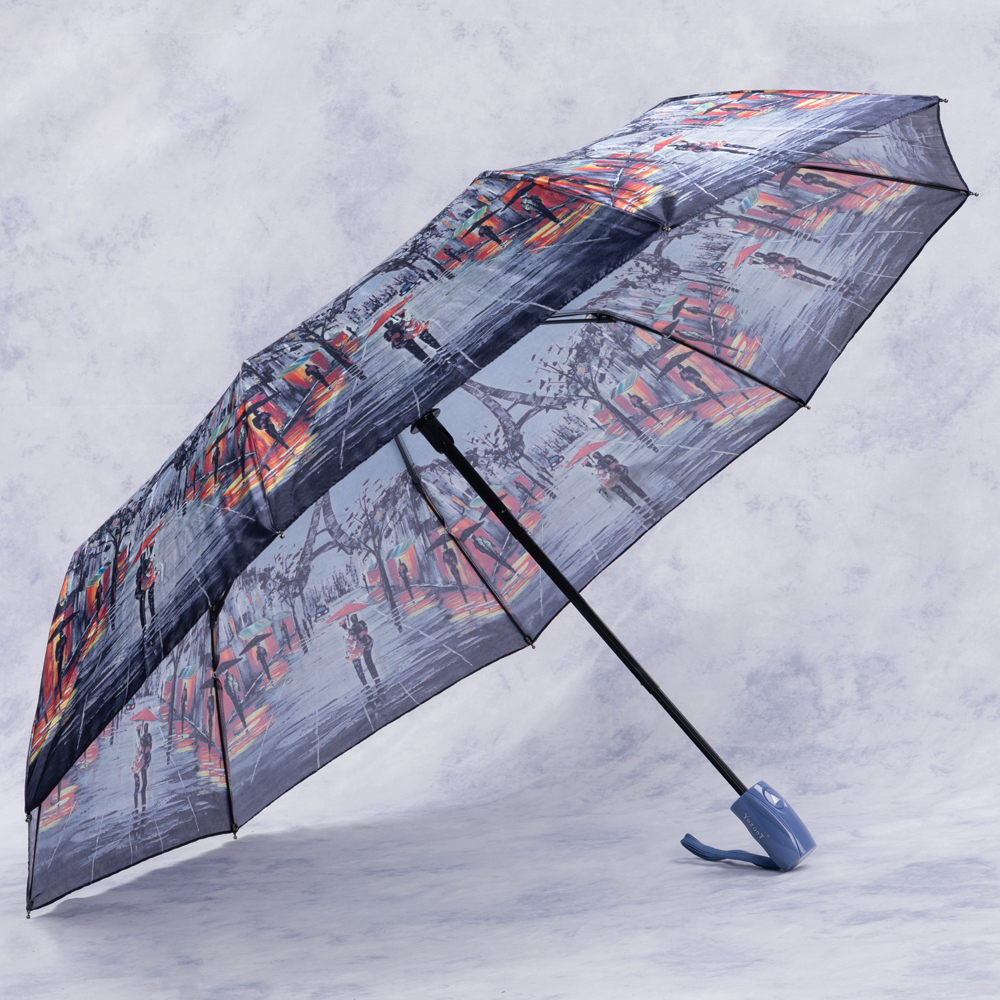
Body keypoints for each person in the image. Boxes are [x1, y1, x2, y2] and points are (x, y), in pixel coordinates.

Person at [132, 722, 152, 809]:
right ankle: (137, 806)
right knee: (138, 785)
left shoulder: (145, 737)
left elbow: (148, 748)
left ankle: (141, 805)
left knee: (143, 783)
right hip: (138, 763)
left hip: (142, 762)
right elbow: (140, 751)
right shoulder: (139, 740)